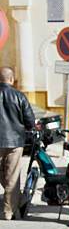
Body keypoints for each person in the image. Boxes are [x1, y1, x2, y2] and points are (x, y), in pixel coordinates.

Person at [0, 66, 35, 220]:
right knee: (12, 177)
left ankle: (12, 206)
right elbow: (30, 121)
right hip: (14, 142)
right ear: (11, 79)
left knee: (6, 177)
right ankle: (8, 212)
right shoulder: (19, 96)